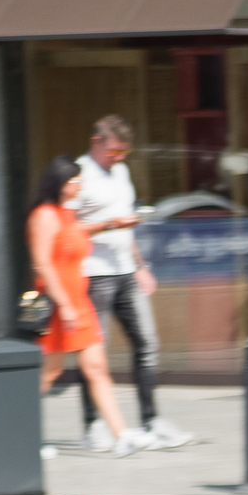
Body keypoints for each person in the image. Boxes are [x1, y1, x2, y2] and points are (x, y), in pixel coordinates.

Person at [70, 116, 190, 450]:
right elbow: (68, 229)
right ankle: (93, 425)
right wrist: (109, 224)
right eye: (113, 151)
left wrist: (140, 265)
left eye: (124, 152)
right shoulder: (79, 174)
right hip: (93, 272)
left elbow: (128, 224)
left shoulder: (120, 171)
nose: (118, 157)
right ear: (96, 141)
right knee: (95, 354)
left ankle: (151, 419)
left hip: (125, 269)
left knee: (147, 342)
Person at [27, 156, 139, 455]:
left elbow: (77, 235)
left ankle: (122, 435)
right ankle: (23, 435)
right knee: (48, 375)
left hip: (79, 303)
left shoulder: (66, 215)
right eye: (75, 180)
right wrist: (63, 305)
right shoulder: (44, 216)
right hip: (58, 305)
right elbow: (42, 264)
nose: (80, 185)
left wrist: (112, 224)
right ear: (61, 185)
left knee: (97, 369)